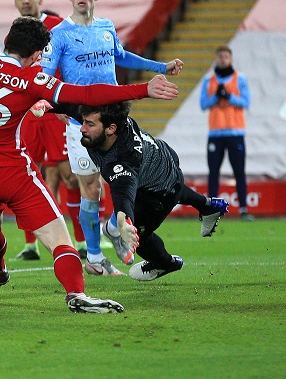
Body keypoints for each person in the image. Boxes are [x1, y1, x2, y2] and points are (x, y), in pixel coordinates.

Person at [0, 0, 179, 313]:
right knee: (58, 239)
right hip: (11, 172)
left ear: (7, 40)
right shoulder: (34, 81)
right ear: (38, 55)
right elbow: (88, 96)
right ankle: (77, 294)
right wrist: (143, 88)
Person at [41, 0, 184, 277]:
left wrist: (161, 67)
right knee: (90, 188)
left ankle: (116, 228)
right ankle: (94, 256)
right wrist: (56, 106)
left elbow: (120, 56)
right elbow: (45, 75)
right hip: (83, 125)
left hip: (116, 125)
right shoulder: (60, 34)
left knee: (121, 183)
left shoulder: (106, 27)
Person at [78, 102, 229, 281]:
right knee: (169, 186)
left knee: (139, 235)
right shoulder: (117, 121)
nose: (82, 128)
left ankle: (165, 263)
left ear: (111, 129)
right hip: (163, 159)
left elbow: (124, 193)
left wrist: (124, 221)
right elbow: (69, 104)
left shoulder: (123, 161)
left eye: (90, 124)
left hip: (161, 191)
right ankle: (208, 206)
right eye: (83, 121)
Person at [12, 0, 84, 261]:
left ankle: (79, 241)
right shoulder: (15, 32)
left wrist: (66, 100)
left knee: (69, 175)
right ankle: (30, 246)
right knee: (26, 174)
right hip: (28, 112)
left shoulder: (57, 25)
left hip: (54, 110)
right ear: (16, 3)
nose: (26, 1)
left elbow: (71, 61)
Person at [200, 46, 252, 221]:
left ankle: (243, 209)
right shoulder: (209, 81)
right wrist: (216, 96)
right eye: (220, 56)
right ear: (216, 59)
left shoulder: (240, 79)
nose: (223, 59)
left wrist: (228, 96)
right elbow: (203, 104)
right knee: (213, 172)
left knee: (239, 171)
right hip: (215, 133)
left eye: (226, 57)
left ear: (231, 59)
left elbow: (246, 102)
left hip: (235, 132)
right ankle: (214, 209)